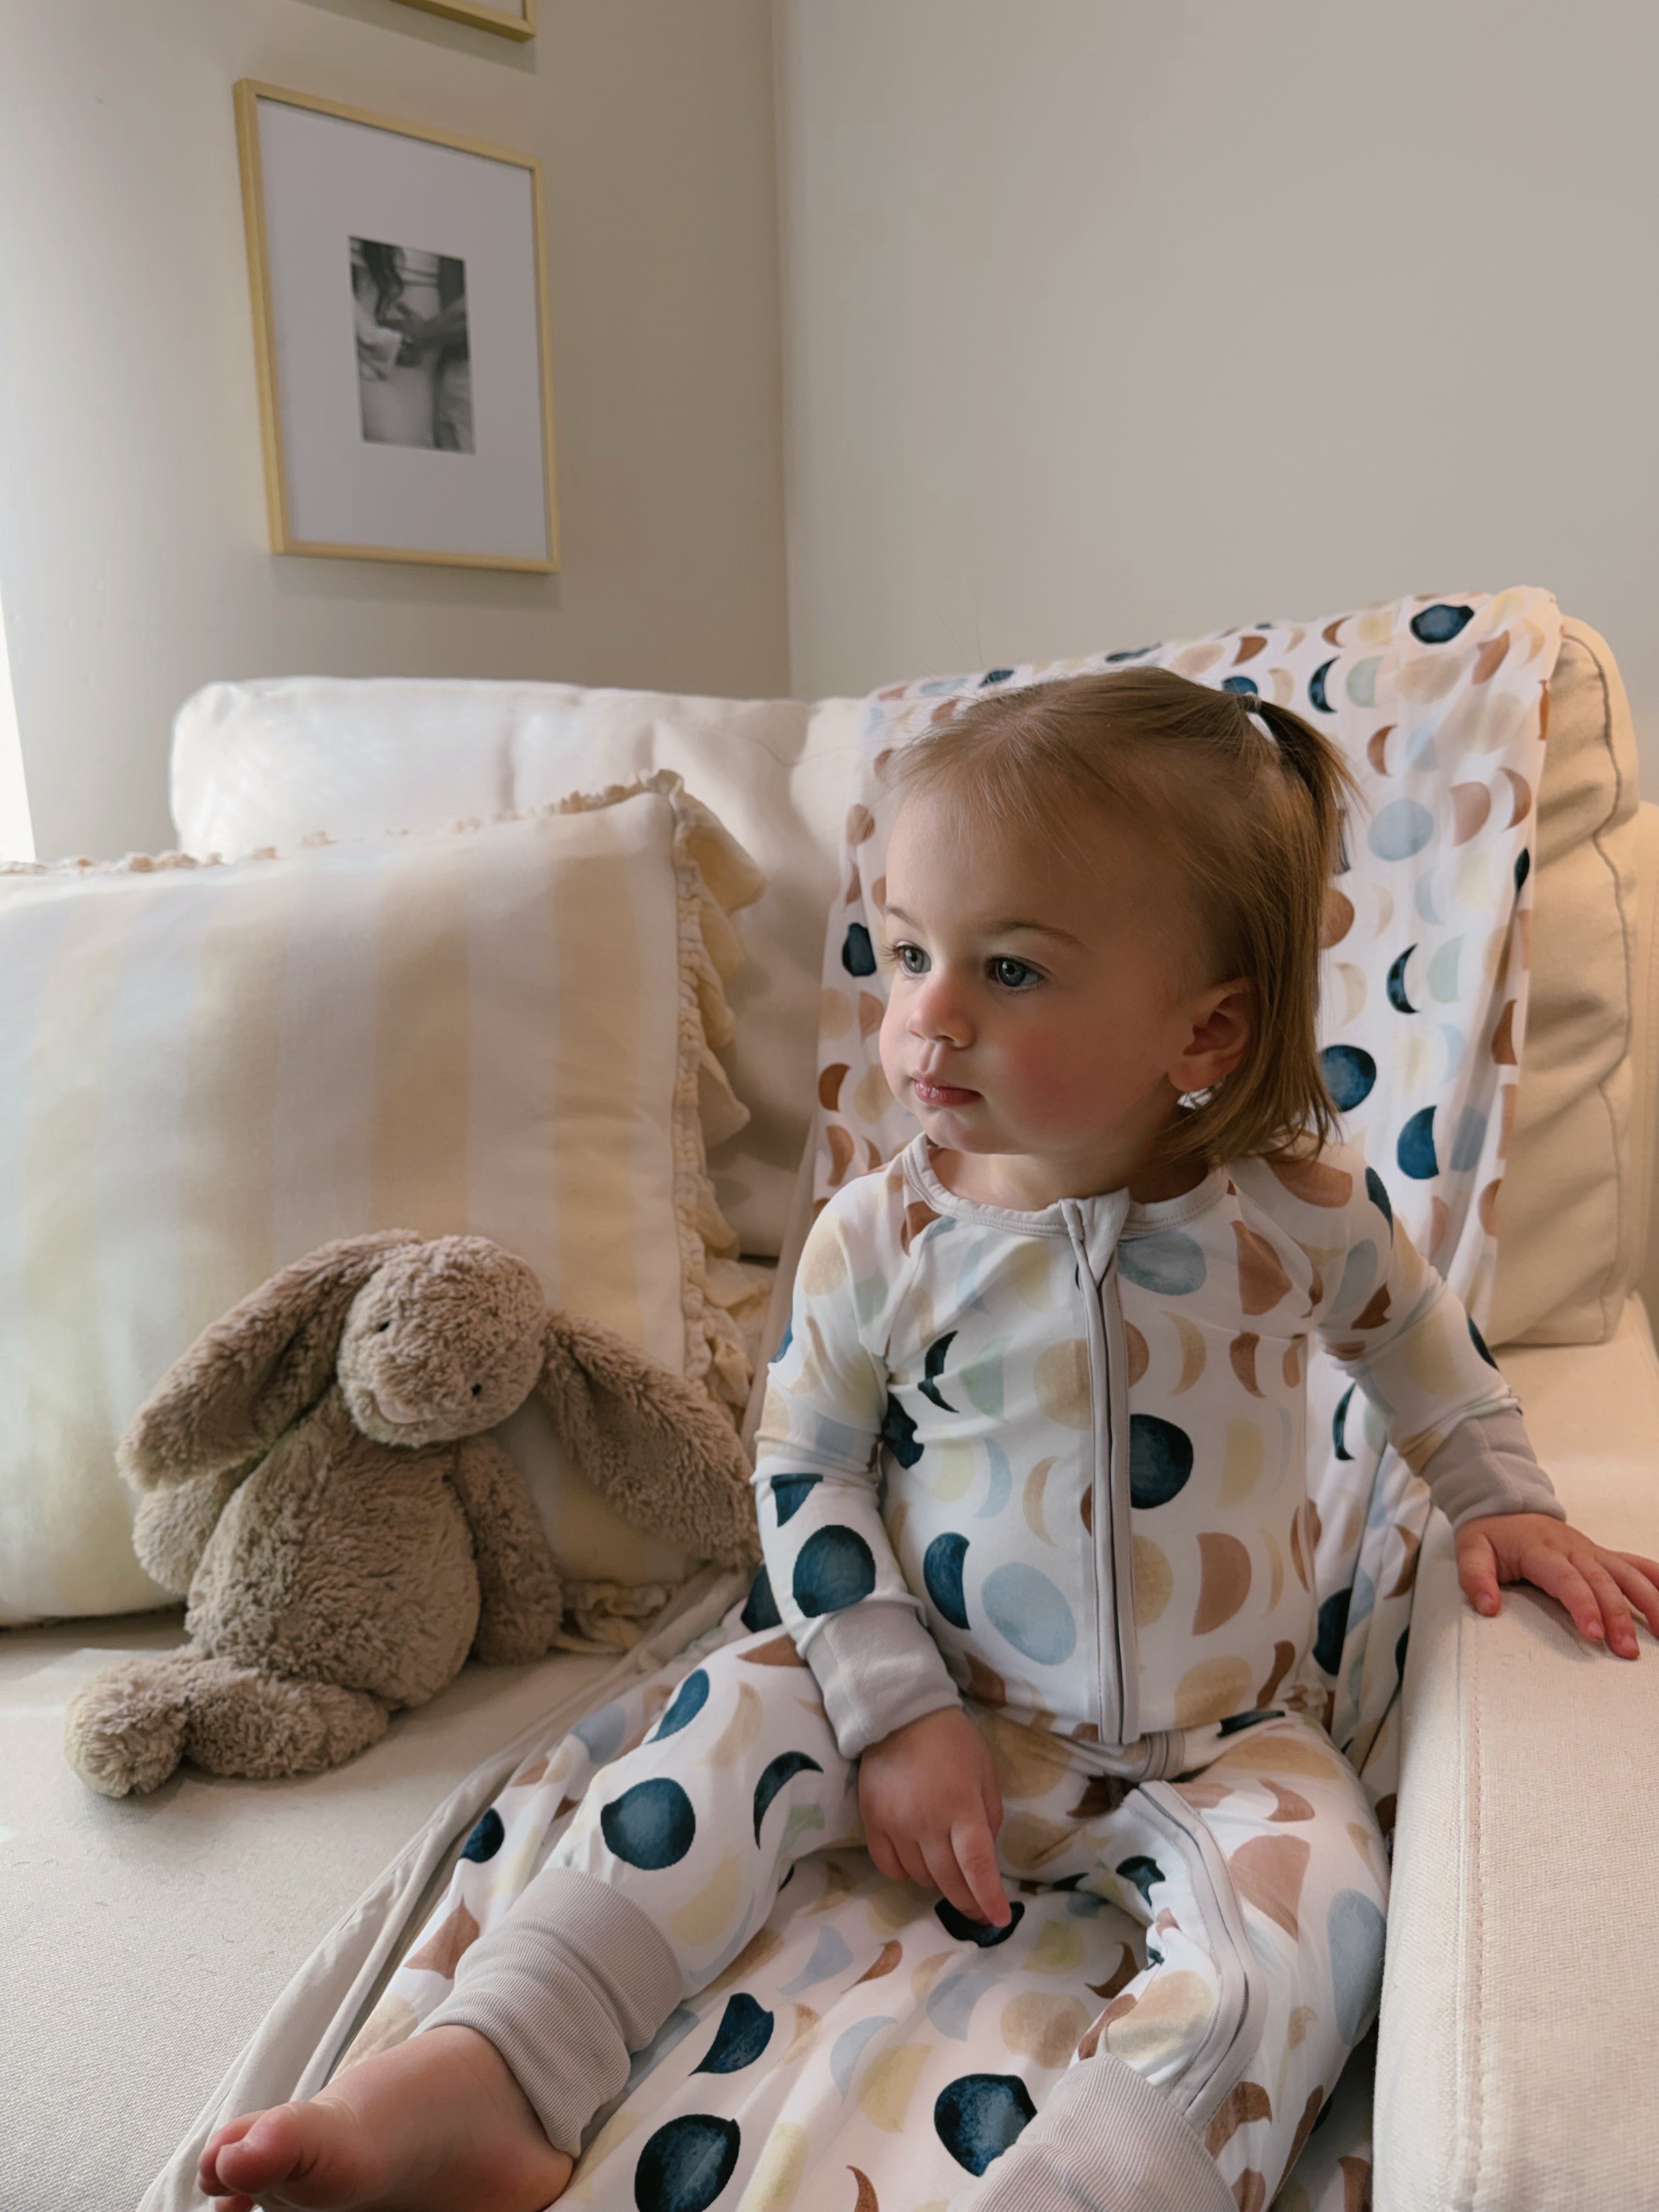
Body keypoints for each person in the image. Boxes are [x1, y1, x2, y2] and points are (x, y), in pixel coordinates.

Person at [198, 669, 1659, 2212]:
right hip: (929, 1693)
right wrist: (889, 1709)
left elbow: (1427, 1359)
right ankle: (498, 2063)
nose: (925, 1017)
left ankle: (1094, 2181)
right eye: (906, 953)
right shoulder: (882, 1233)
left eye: (1010, 969)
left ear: (1206, 1027)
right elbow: (806, 1467)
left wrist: (1499, 1499)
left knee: (1327, 1906)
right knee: (720, 1723)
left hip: (1221, 1747)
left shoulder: (1294, 1215)